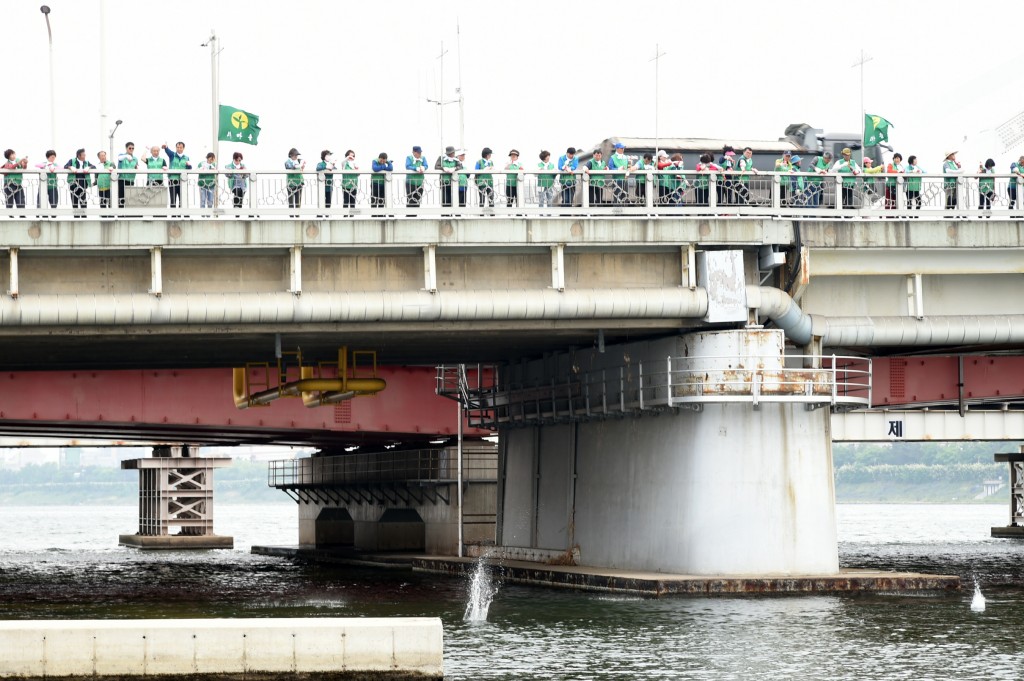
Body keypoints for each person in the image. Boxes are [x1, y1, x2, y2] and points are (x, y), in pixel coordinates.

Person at [64, 148, 95, 215]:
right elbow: (65, 166)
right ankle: (76, 216)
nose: (84, 156)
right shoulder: (72, 160)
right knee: (74, 200)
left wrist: (89, 167)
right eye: (83, 155)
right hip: (73, 183)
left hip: (83, 183)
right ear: (78, 155)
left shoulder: (86, 162)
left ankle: (84, 216)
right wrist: (71, 167)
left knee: (83, 200)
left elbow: (94, 166)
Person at [162, 142, 191, 210]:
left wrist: (189, 166)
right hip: (173, 179)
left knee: (182, 198)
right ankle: (173, 215)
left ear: (183, 148)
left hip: (182, 181)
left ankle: (183, 214)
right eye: (177, 147)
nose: (179, 149)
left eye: (181, 147)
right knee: (173, 198)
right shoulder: (172, 155)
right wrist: (166, 147)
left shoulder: (186, 157)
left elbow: (188, 169)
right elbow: (167, 151)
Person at [116, 142, 139, 208]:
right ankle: (120, 214)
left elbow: (135, 167)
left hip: (131, 180)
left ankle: (127, 214)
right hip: (122, 179)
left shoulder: (135, 158)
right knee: (121, 197)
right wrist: (126, 156)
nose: (131, 149)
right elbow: (119, 158)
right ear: (126, 148)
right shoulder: (122, 156)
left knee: (129, 198)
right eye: (130, 148)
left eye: (133, 148)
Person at [285, 148, 305, 215]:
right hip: (291, 184)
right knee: (291, 202)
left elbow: (301, 168)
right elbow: (290, 166)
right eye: (294, 155)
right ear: (290, 155)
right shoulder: (288, 162)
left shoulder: (298, 161)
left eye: (297, 155)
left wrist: (302, 166)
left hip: (299, 183)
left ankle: (297, 215)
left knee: (298, 201)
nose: (296, 156)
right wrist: (299, 165)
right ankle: (291, 216)